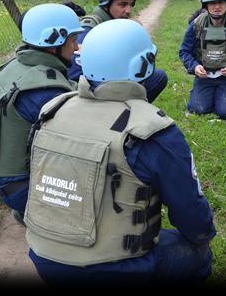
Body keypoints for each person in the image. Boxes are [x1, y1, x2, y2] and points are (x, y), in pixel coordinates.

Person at [24, 19, 216, 286]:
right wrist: (203, 235)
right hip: (114, 271)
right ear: (143, 64)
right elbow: (191, 215)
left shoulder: (52, 110)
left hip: (44, 259)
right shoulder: (152, 131)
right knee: (199, 252)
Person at [0, 3, 84, 225]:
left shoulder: (15, 67)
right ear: (53, 42)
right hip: (18, 185)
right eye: (73, 40)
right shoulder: (45, 90)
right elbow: (80, 142)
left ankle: (27, 209)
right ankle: (41, 216)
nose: (76, 48)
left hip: (0, 175)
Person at [67, 0, 168, 103]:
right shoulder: (90, 29)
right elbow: (76, 74)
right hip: (94, 94)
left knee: (158, 76)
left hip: (115, 84)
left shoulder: (116, 25)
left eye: (131, 4)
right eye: (122, 4)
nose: (128, 10)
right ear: (106, 5)